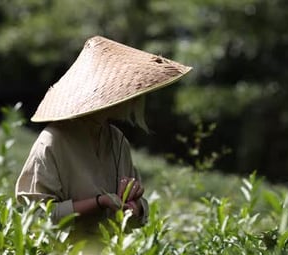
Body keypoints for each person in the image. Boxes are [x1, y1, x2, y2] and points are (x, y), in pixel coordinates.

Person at [15, 36, 191, 238]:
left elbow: (138, 216)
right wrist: (99, 202)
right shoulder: (53, 142)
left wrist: (135, 206)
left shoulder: (116, 140)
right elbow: (37, 216)